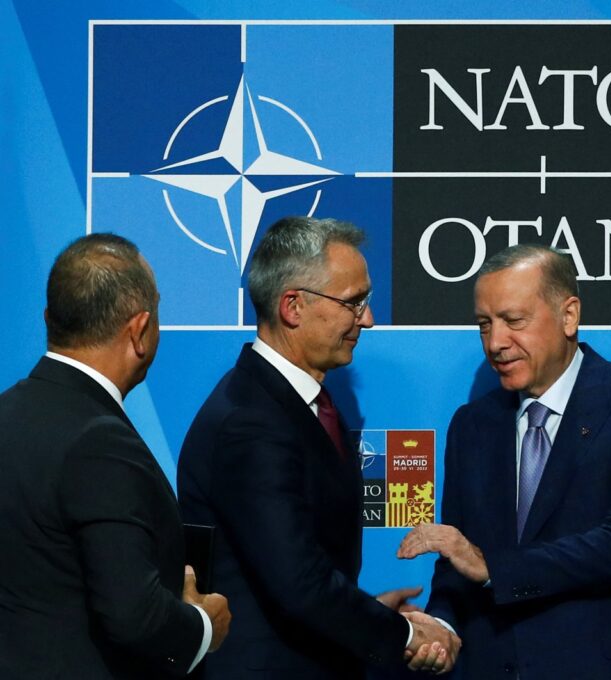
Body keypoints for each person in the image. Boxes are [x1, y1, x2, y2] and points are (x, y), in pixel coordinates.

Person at [177, 216, 458, 679]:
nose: (366, 318)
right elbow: (298, 584)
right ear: (293, 306)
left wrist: (369, 615)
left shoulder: (296, 404)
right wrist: (405, 635)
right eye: (354, 302)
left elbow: (291, 568)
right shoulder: (250, 422)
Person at [397, 244, 611, 679]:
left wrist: (494, 567)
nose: (495, 342)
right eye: (484, 325)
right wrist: (441, 626)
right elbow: (459, 561)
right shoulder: (472, 425)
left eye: (514, 321)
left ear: (569, 315)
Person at [0, 234, 230, 679]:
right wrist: (205, 626)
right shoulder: (99, 441)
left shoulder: (7, 413)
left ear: (50, 319)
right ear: (140, 331)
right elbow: (132, 615)